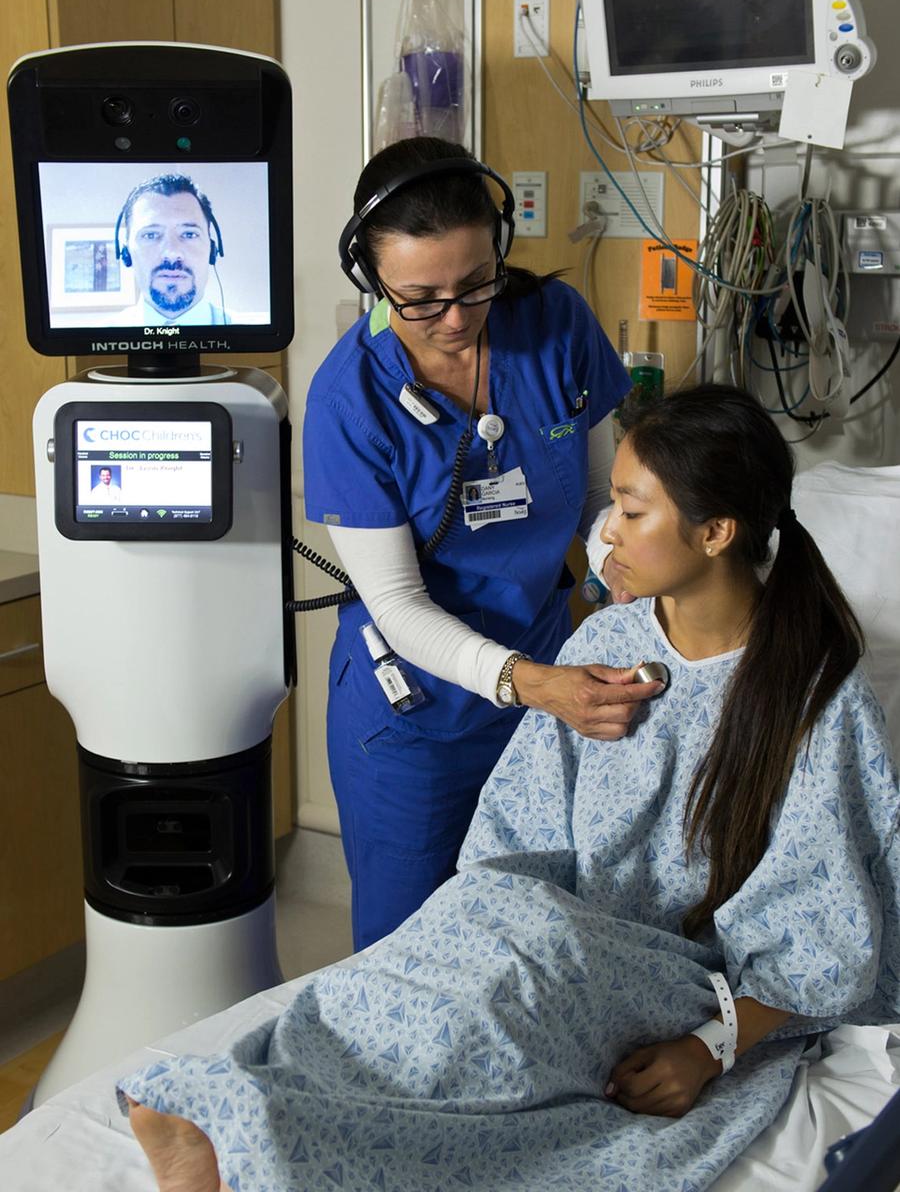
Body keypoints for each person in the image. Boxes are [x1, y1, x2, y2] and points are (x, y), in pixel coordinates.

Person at [121, 385, 899, 1192]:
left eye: (632, 512)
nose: (608, 531)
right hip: (555, 932)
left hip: (674, 975)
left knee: (493, 1014)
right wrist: (493, 927)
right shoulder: (605, 644)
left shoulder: (811, 699)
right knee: (438, 970)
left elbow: (825, 940)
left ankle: (264, 1139)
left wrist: (712, 1046)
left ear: (715, 532)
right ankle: (248, 1103)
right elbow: (510, 840)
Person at [302, 136, 660, 951]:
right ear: (372, 278)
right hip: (415, 717)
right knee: (412, 952)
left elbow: (601, 498)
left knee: (533, 936)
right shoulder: (348, 400)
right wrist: (534, 684)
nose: (456, 319)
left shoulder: (553, 325)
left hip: (547, 678)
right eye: (420, 298)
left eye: (476, 284)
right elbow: (396, 604)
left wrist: (619, 568)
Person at [113, 174, 232, 326]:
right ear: (126, 252)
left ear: (212, 250)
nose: (172, 253)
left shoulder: (251, 337)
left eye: (189, 234)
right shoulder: (95, 340)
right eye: (151, 235)